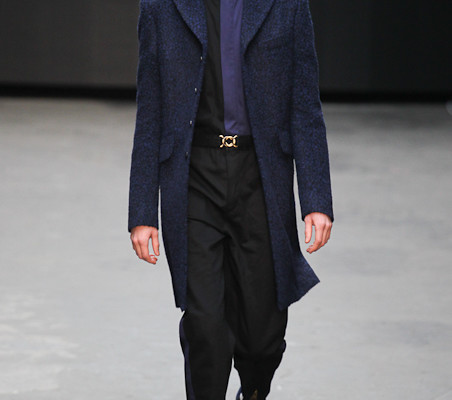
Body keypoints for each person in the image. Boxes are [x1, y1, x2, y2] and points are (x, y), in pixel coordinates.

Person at [128, 0, 334, 397]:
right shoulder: (161, 6)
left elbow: (305, 105)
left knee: (262, 336)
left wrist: (316, 199)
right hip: (193, 175)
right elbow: (150, 109)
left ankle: (254, 388)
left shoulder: (287, 5)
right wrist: (142, 210)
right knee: (204, 325)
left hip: (261, 176)